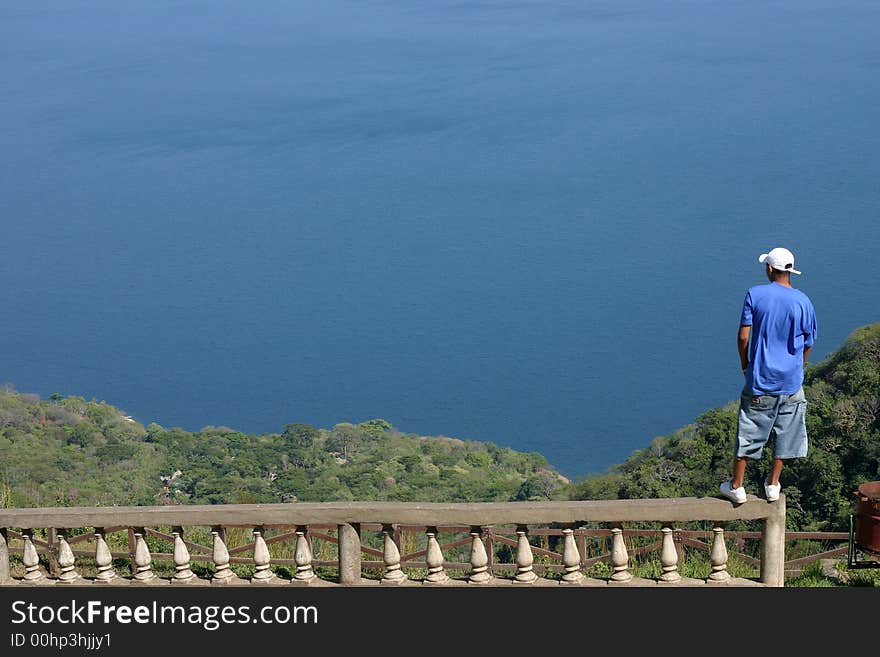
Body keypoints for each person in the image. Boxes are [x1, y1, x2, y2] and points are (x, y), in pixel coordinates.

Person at [719, 247, 817, 504]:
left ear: (770, 269)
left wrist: (745, 364)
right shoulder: (803, 301)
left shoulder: (756, 294)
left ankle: (737, 487)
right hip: (791, 383)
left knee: (749, 429)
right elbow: (809, 342)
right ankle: (773, 484)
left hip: (760, 379)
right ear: (790, 270)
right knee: (787, 432)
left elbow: (743, 337)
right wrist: (800, 367)